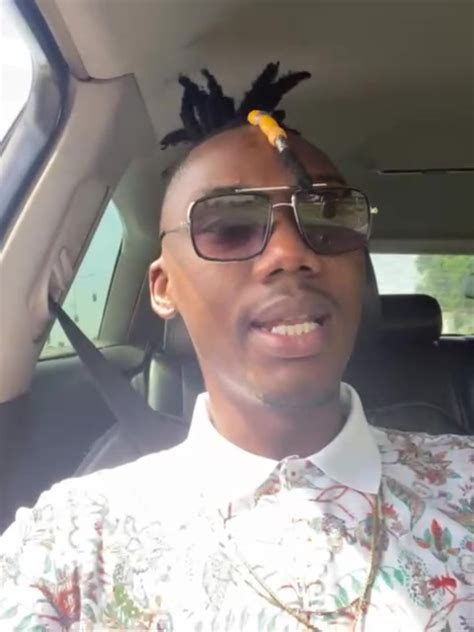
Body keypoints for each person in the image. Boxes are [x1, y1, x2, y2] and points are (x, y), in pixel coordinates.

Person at [0, 63, 472, 632]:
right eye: (227, 226)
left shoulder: (463, 480)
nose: (291, 254)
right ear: (164, 288)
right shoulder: (69, 547)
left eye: (327, 217)